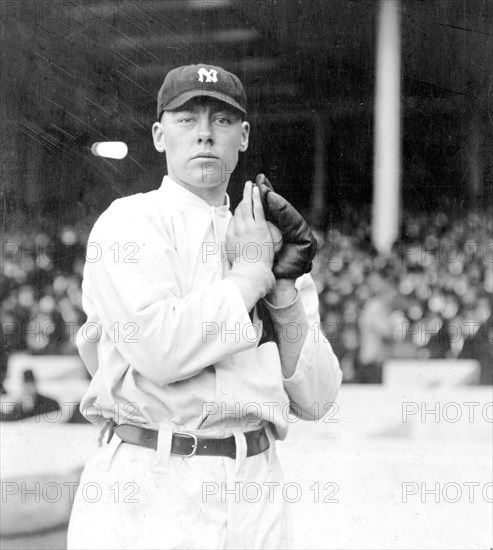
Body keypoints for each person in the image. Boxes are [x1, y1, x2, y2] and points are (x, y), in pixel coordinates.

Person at [67, 63, 342, 550]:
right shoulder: (130, 222)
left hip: (255, 483)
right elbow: (158, 350)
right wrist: (250, 276)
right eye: (187, 119)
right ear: (159, 134)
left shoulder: (264, 234)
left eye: (220, 120)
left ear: (243, 136)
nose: (204, 135)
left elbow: (318, 399)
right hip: (149, 476)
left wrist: (280, 291)